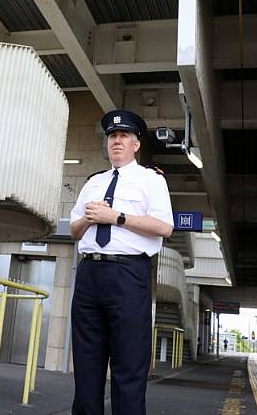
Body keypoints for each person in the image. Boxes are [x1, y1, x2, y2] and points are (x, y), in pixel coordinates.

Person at [69, 109, 174, 415]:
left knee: (129, 367)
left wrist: (116, 217)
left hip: (128, 275)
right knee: (87, 367)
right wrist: (90, 218)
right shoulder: (93, 183)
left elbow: (164, 227)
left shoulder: (150, 180)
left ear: (136, 144)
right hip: (89, 273)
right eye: (112, 136)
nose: (116, 141)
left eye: (123, 136)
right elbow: (75, 230)